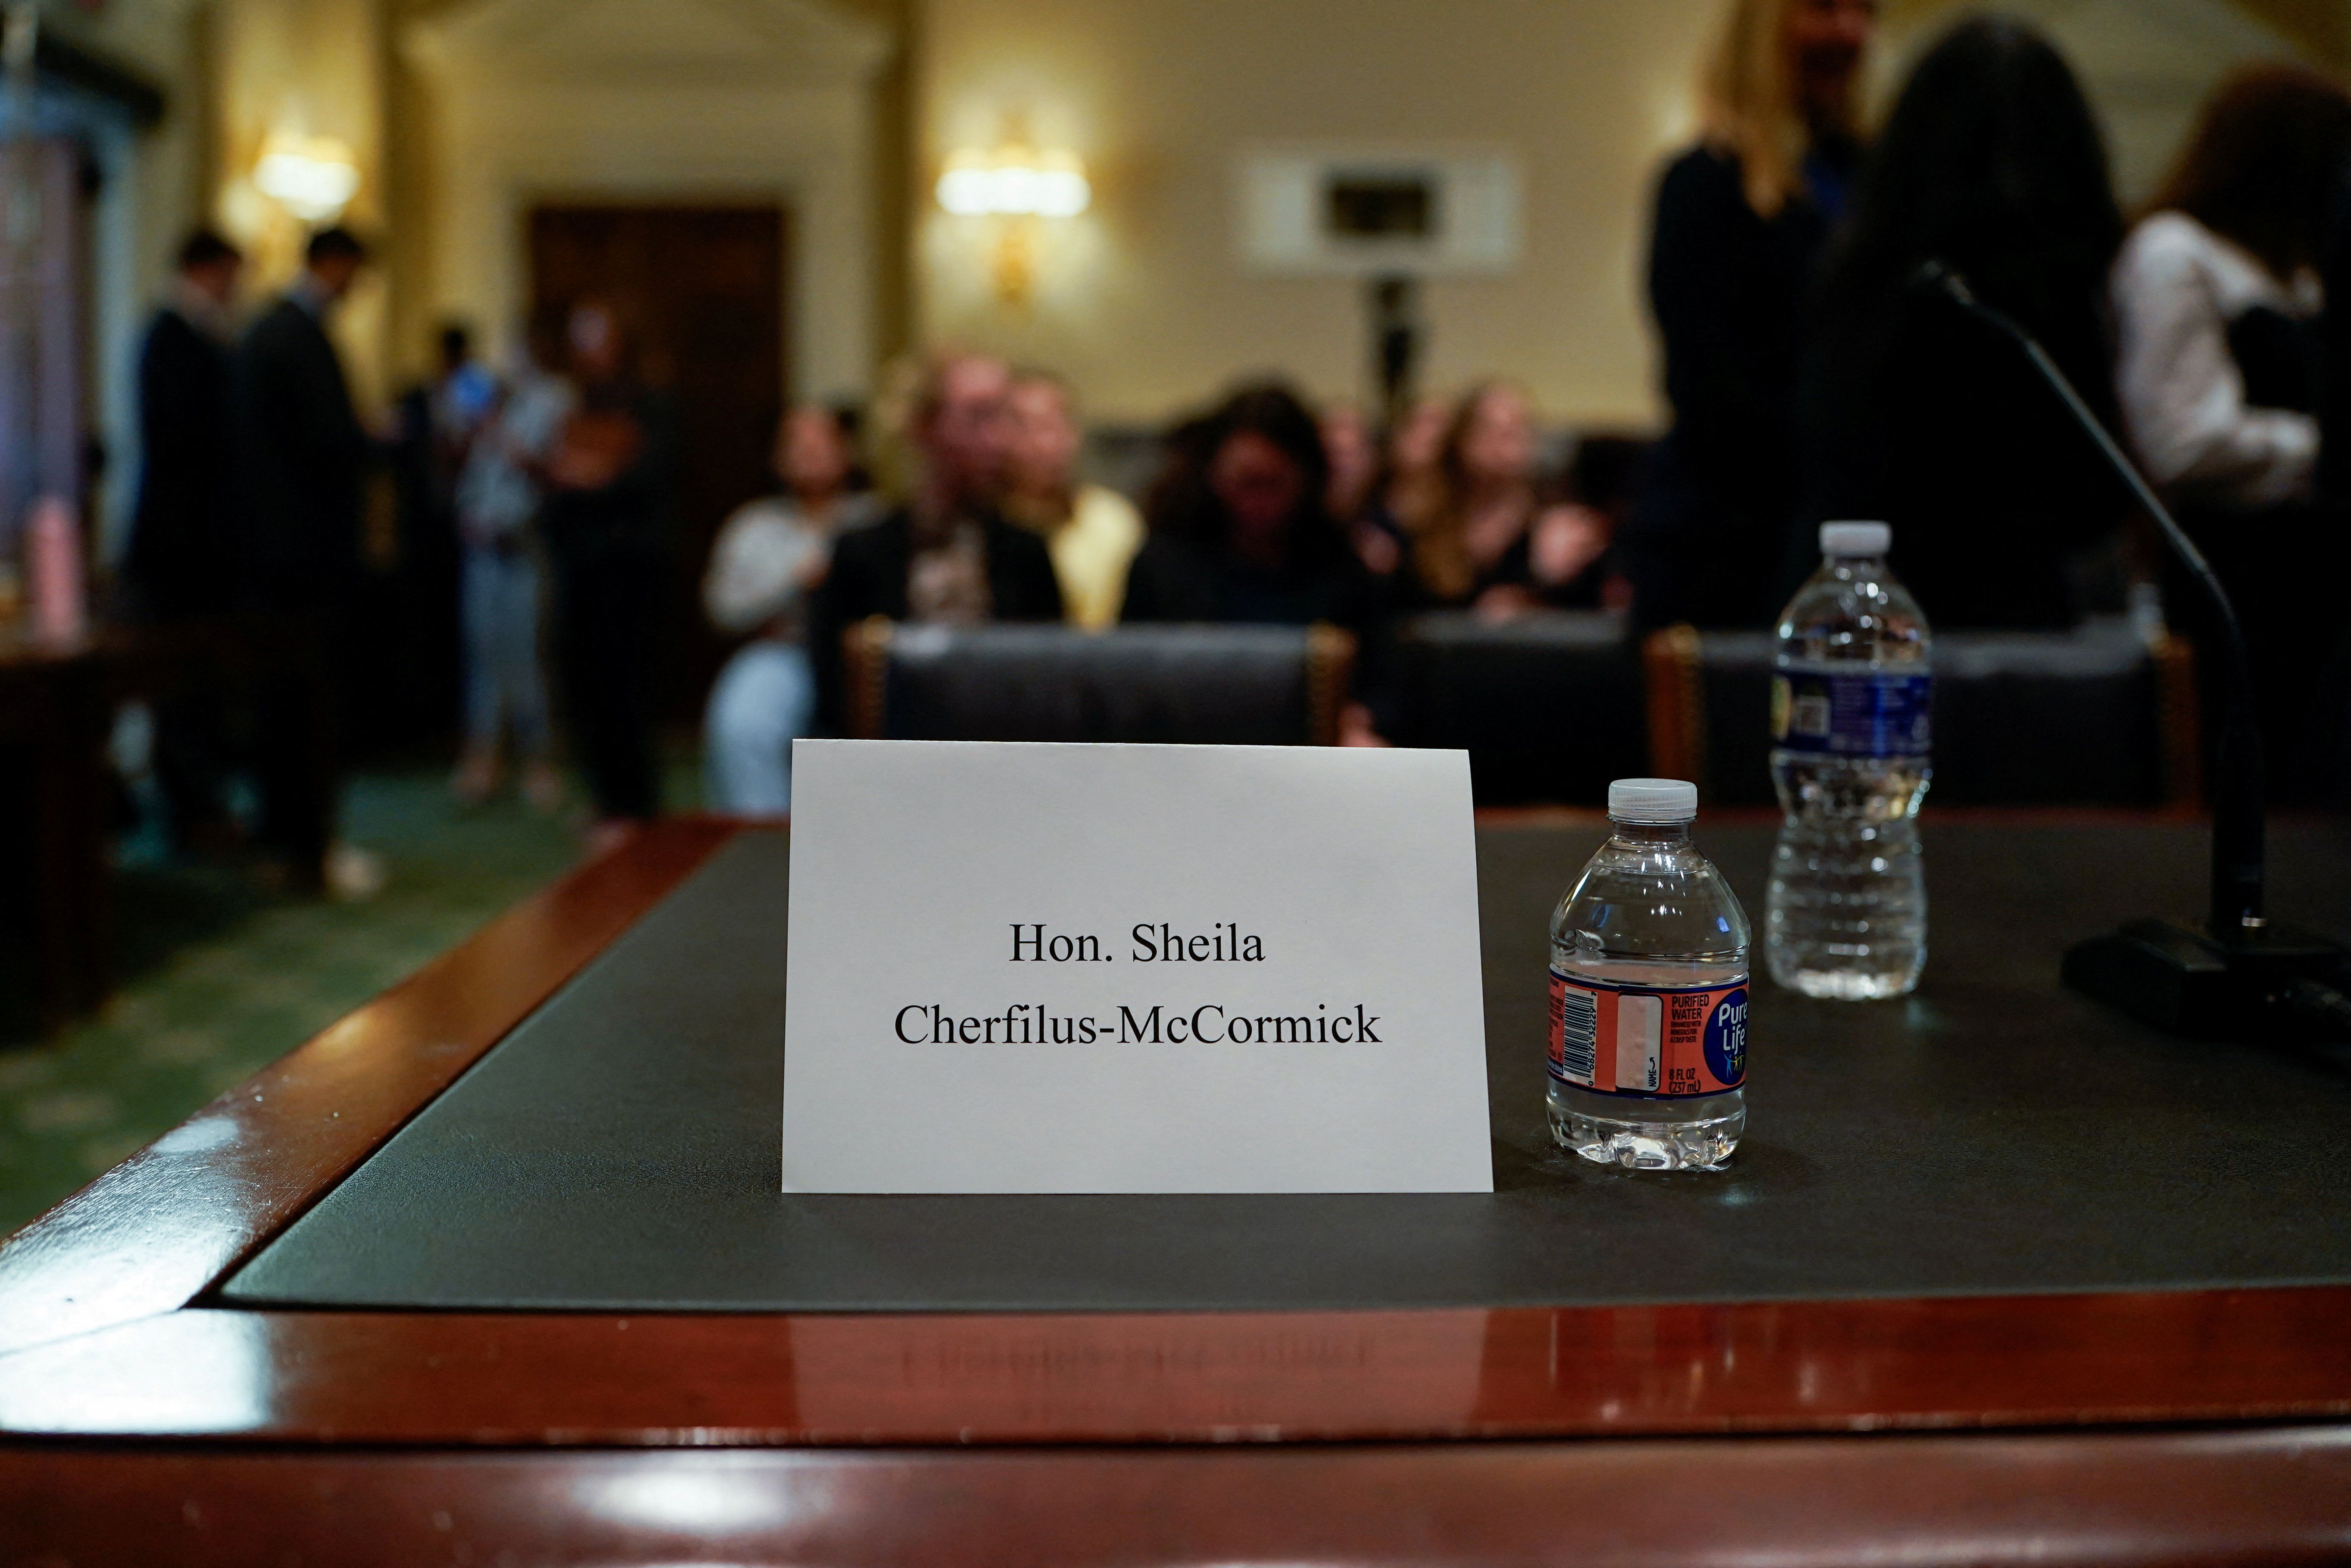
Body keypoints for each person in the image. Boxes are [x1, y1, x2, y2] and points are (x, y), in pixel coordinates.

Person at [1796, 17, 2128, 629]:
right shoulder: (2053, 304)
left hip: (1864, 623)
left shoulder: (1860, 278)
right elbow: (2093, 498)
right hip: (2018, 628)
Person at [2112, 65, 2351, 795]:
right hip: (2231, 578)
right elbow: (2181, 439)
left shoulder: (2295, 270)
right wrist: (2322, 451)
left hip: (2309, 577)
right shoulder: (2175, 252)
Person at [1620, 0, 1877, 633]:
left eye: (1866, 11)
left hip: (1842, 537)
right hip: (1730, 553)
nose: (1851, 31)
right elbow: (1711, 388)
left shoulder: (1869, 180)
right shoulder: (1704, 185)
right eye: (1824, 8)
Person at [234, 225, 382, 897]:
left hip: (277, 555)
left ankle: (287, 843)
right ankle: (306, 847)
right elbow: (323, 445)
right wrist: (374, 441)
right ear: (336, 263)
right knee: (306, 705)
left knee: (285, 706)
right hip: (304, 559)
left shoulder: (273, 330)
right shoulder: (296, 335)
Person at [808, 353, 1063, 732]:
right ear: (925, 428)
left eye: (1003, 417)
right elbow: (839, 704)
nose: (998, 440)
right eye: (979, 416)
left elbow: (1049, 692)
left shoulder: (1027, 553)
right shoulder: (861, 553)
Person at [121, 230, 243, 855]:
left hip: (193, 543)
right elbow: (184, 446)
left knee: (197, 684)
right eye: (230, 275)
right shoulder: (170, 335)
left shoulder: (191, 333)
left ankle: (202, 808)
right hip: (178, 544)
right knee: (178, 684)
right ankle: (189, 813)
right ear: (206, 269)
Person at [539, 303, 675, 847]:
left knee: (628, 688)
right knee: (584, 683)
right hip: (582, 570)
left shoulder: (653, 405)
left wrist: (592, 477)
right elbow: (555, 488)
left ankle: (636, 803)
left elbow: (648, 479)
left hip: (632, 572)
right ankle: (604, 796)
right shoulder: (571, 408)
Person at [703, 408, 878, 814]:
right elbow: (721, 611)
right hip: (784, 653)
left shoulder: (876, 519)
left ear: (846, 452)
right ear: (777, 458)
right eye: (797, 445)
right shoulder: (752, 526)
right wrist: (795, 584)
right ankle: (765, 844)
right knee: (743, 724)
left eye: (822, 442)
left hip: (865, 658)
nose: (810, 453)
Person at [450, 311, 575, 809]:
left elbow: (545, 471)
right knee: (484, 656)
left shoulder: (556, 399)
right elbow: (468, 466)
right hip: (481, 549)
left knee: (528, 656)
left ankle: (539, 760)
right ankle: (483, 758)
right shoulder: (491, 397)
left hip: (527, 548)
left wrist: (499, 427)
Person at [1399, 382, 1611, 618]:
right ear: (1461, 439)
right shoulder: (1424, 519)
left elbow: (1590, 610)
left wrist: (1537, 596)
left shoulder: (1550, 519)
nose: (1508, 442)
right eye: (1491, 429)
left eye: (1519, 429)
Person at [1001, 369, 1144, 631]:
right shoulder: (983, 525)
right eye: (1025, 427)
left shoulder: (1112, 519)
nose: (1044, 444)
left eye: (1055, 425)